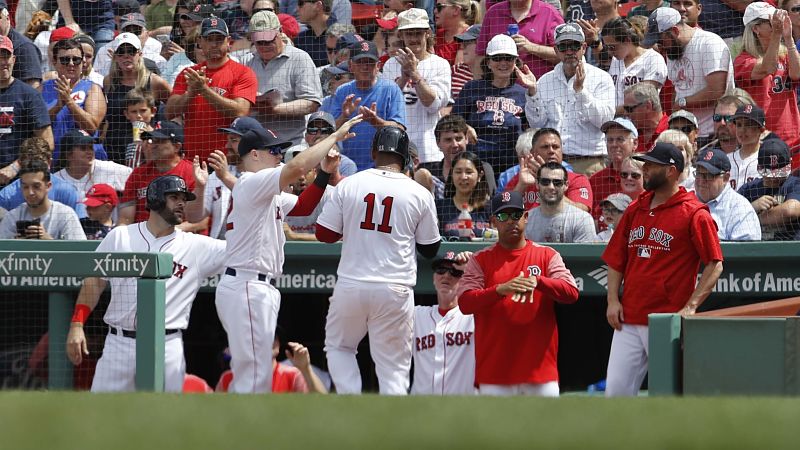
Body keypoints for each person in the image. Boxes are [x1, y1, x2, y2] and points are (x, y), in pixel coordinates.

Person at [217, 115, 362, 394]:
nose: (279, 156)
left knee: (256, 368)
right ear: (255, 155)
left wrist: (322, 174)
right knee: (254, 370)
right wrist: (333, 137)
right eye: (274, 151)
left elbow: (304, 207)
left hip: (255, 285)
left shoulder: (264, 191)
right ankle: (244, 429)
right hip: (247, 283)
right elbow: (297, 167)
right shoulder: (251, 181)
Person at [65, 175, 227, 392]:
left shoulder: (197, 246)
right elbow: (95, 281)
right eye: (174, 197)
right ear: (155, 199)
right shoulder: (119, 237)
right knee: (102, 417)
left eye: (184, 198)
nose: (181, 203)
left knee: (165, 418)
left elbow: (243, 249)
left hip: (166, 345)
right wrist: (77, 325)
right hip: (118, 343)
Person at [316, 126, 441, 395]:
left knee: (340, 347)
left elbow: (324, 234)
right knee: (393, 368)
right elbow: (430, 250)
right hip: (395, 287)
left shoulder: (349, 183)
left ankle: (351, 401)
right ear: (406, 157)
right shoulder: (419, 192)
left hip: (352, 283)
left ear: (373, 152)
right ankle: (392, 427)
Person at [603, 142, 723, 397]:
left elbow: (715, 264)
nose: (644, 169)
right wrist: (612, 299)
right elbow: (616, 258)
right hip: (628, 319)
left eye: (650, 165)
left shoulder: (694, 213)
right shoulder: (637, 207)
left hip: (666, 322)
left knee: (667, 396)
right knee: (615, 394)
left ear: (671, 171)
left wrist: (690, 307)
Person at [456, 190, 580, 396]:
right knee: (494, 429)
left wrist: (538, 281)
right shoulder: (480, 260)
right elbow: (465, 303)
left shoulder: (546, 255)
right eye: (504, 216)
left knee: (546, 428)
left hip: (540, 372)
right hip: (495, 372)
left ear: (526, 217)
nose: (511, 221)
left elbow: (571, 293)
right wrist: (500, 290)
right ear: (493, 221)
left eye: (516, 215)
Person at [521, 23, 615, 176]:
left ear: (584, 47)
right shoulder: (544, 81)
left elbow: (605, 121)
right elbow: (536, 123)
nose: (570, 51)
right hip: (551, 163)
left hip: (589, 162)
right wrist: (532, 92)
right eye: (564, 47)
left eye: (574, 46)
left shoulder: (602, 78)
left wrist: (581, 91)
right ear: (556, 50)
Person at [166, 17, 258, 163]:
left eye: (219, 39)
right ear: (200, 41)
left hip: (228, 161)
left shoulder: (243, 73)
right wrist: (190, 93)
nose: (214, 44)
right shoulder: (189, 73)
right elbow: (170, 112)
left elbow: (240, 111)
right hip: (194, 160)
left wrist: (203, 90)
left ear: (229, 41)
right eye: (209, 39)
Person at [643, 7, 735, 140]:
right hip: (684, 135)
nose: (660, 46)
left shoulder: (709, 43)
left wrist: (682, 103)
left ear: (674, 31)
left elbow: (716, 91)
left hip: (712, 133)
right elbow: (678, 87)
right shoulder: (673, 51)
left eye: (661, 41)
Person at [240, 11, 323, 147]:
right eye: (259, 42)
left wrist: (276, 109)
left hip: (291, 145)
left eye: (269, 40)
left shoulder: (299, 58)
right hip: (255, 147)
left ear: (280, 32)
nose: (264, 45)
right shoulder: (246, 62)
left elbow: (312, 103)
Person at [382, 8, 451, 172]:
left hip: (429, 150)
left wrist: (414, 74)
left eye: (418, 33)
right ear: (401, 35)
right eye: (409, 33)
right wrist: (404, 78)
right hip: (396, 149)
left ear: (427, 33)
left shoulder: (440, 64)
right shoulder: (390, 65)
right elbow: (385, 105)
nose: (413, 38)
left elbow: (433, 105)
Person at [322, 40, 406, 171]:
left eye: (370, 62)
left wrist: (377, 122)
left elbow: (400, 129)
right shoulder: (342, 91)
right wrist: (345, 116)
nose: (365, 67)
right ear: (350, 66)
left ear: (378, 66)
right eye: (360, 62)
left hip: (383, 167)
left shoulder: (391, 89)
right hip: (349, 167)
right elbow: (330, 132)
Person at [452, 34, 527, 175]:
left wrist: (533, 91)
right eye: (497, 58)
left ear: (516, 62)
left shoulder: (523, 93)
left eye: (508, 58)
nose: (503, 63)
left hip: (511, 163)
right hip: (476, 162)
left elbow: (532, 128)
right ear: (488, 62)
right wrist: (465, 127)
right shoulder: (472, 88)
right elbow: (453, 121)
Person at [734, 3, 800, 152]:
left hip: (792, 136)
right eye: (771, 20)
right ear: (755, 28)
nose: (777, 23)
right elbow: (768, 67)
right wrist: (777, 34)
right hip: (762, 139)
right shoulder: (743, 60)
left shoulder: (785, 54)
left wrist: (788, 38)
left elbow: (797, 74)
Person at [411, 251, 476, 395]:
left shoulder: (474, 317)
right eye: (441, 270)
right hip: (421, 408)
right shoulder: (416, 315)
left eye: (454, 272)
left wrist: (474, 267)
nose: (446, 275)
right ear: (434, 278)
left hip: (462, 408)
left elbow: (498, 296)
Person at [103, 32, 172, 164]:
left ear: (139, 54)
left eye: (131, 51)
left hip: (145, 150)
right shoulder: (109, 82)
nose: (126, 56)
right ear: (115, 57)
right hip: (114, 148)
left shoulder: (154, 82)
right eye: (121, 52)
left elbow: (175, 109)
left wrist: (160, 133)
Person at [118, 121, 195, 225]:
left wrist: (167, 233)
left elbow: (200, 221)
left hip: (181, 236)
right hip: (142, 236)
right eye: (152, 140)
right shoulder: (138, 174)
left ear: (177, 147)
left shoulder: (192, 173)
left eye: (160, 141)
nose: (153, 145)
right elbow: (125, 219)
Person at [42, 38, 107, 157]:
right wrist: (57, 107)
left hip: (86, 159)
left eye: (76, 60)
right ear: (54, 61)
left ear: (82, 63)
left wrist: (69, 102)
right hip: (54, 158)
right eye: (65, 59)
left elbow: (91, 127)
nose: (71, 64)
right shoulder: (41, 89)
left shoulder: (92, 89)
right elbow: (35, 125)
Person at [0, 35, 53, 179]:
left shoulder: (29, 95)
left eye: (6, 56)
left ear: (14, 60)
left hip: (20, 179)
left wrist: (16, 166)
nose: (3, 62)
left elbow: (47, 142)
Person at [506, 128, 593, 212]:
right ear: (533, 152)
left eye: (555, 147)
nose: (551, 151)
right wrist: (521, 186)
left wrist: (546, 180)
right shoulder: (521, 179)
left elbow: (581, 211)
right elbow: (502, 214)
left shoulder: (577, 180)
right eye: (545, 147)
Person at [475, 0, 563, 79]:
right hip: (499, 92)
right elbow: (481, 55)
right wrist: (481, 88)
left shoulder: (549, 13)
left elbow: (564, 55)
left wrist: (531, 48)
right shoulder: (493, 13)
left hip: (539, 91)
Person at [0, 160, 86, 240]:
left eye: (36, 186)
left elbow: (80, 252)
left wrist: (48, 241)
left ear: (48, 186)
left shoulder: (66, 215)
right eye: (25, 187)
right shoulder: (12, 217)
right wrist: (14, 245)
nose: (30, 192)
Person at [0, 137, 85, 216]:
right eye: (30, 165)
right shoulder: (6, 195)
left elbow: (78, 227)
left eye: (40, 166)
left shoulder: (68, 192)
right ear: (21, 164)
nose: (35, 171)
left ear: (49, 162)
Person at [216, 335, 328, 394]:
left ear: (278, 344)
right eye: (261, 336)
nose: (268, 341)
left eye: (273, 336)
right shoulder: (228, 378)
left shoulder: (292, 375)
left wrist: (305, 369)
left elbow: (323, 404)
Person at [601, 17, 667, 114]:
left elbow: (644, 99)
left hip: (641, 121)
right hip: (616, 121)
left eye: (612, 47)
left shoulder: (653, 59)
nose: (610, 52)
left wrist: (607, 112)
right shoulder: (616, 60)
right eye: (607, 47)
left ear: (627, 40)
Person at [694, 147, 762, 241]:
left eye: (708, 176)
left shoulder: (740, 208)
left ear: (725, 178)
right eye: (698, 174)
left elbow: (746, 252)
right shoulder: (688, 200)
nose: (701, 181)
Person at [739, 139, 800, 240]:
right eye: (769, 173)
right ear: (759, 166)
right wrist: (753, 207)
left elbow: (790, 211)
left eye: (779, 173)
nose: (773, 177)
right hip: (754, 250)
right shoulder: (748, 189)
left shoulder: (795, 183)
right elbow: (731, 216)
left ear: (790, 163)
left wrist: (753, 218)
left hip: (789, 250)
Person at [524, 162, 597, 243]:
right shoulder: (527, 220)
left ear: (566, 185)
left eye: (557, 182)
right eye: (545, 182)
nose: (551, 187)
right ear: (537, 184)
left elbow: (585, 254)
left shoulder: (582, 219)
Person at [52, 129, 132, 203]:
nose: (89, 152)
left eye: (90, 147)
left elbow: (137, 180)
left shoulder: (109, 170)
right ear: (68, 155)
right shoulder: (56, 180)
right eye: (83, 148)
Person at [591, 118, 638, 230]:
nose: (614, 144)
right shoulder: (595, 181)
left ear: (635, 143)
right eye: (610, 140)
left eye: (620, 139)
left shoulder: (645, 177)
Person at [436, 151, 491, 239]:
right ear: (452, 174)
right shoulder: (439, 207)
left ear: (480, 176)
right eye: (458, 172)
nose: (463, 177)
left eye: (469, 172)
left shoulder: (489, 208)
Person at [94, 13, 167, 77]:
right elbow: (98, 80)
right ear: (119, 33)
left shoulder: (157, 48)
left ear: (147, 34)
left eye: (137, 31)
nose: (132, 35)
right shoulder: (105, 51)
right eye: (127, 31)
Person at [729, 104, 771, 190]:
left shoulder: (768, 161)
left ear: (761, 129)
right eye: (739, 125)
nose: (742, 130)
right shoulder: (726, 159)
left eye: (748, 125)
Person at [623, 82, 668, 153]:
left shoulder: (673, 129)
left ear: (648, 106)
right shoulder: (628, 134)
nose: (625, 114)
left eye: (629, 109)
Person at [433, 0, 479, 68]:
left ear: (456, 10)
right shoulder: (436, 34)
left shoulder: (470, 37)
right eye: (435, 7)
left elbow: (458, 72)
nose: (435, 11)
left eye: (440, 7)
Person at [295, 0, 337, 67]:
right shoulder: (301, 39)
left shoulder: (341, 36)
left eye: (301, 3)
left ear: (318, 5)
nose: (297, 9)